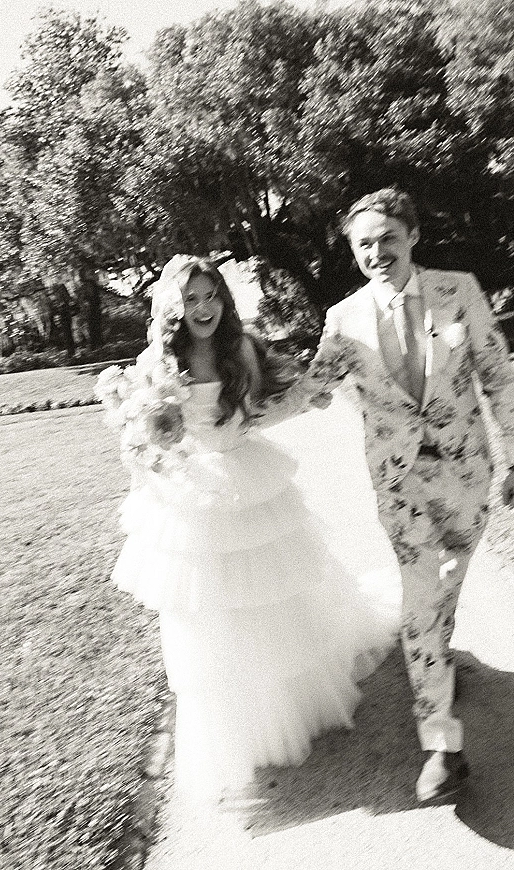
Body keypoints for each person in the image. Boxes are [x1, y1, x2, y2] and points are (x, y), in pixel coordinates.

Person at [96, 255, 396, 803]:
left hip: (243, 481)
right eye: (191, 299)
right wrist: (151, 473)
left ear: (223, 300)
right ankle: (234, 732)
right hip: (190, 497)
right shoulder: (153, 363)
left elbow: (263, 409)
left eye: (211, 295)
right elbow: (135, 438)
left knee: (268, 604)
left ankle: (290, 708)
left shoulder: (242, 350)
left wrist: (309, 398)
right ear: (172, 306)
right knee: (206, 619)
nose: (203, 308)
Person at [310, 188, 514, 804]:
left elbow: (498, 374)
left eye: (387, 238)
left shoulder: (460, 290)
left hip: (467, 478)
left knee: (443, 590)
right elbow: (312, 389)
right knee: (421, 599)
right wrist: (217, 396)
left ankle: (438, 664)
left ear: (413, 237)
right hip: (400, 489)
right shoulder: (343, 319)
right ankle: (441, 745)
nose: (377, 252)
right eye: (363, 244)